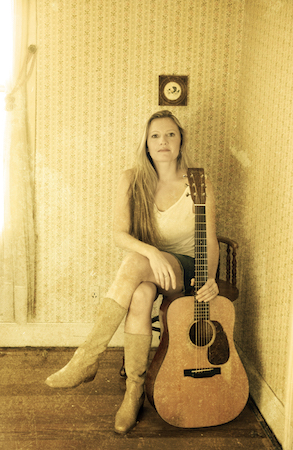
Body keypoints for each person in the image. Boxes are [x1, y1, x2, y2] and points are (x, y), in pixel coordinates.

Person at [45, 110, 220, 434]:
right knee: (139, 295)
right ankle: (134, 391)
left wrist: (208, 278)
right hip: (150, 268)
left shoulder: (198, 181)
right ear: (147, 143)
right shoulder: (132, 178)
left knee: (135, 264)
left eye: (170, 134)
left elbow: (208, 241)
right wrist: (152, 252)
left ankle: (87, 358)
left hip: (186, 270)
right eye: (155, 136)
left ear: (180, 140)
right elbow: (119, 234)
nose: (163, 141)